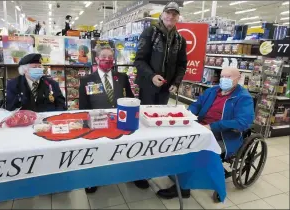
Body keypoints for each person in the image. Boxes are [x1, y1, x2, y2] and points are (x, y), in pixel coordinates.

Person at [156, 67, 255, 199]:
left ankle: (183, 188)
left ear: (238, 78)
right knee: (175, 139)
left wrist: (214, 126)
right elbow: (197, 104)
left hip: (224, 136)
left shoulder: (243, 98)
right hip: (201, 128)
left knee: (194, 150)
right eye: (222, 76)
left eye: (229, 77)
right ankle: (178, 171)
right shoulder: (212, 91)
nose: (224, 79)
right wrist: (189, 113)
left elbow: (243, 122)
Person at [78, 46, 150, 193]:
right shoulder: (87, 80)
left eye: (110, 57)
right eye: (103, 56)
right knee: (98, 151)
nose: (107, 59)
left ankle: (135, 174)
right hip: (99, 122)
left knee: (130, 148)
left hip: (122, 120)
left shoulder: (122, 77)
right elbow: (83, 107)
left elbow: (130, 98)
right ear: (97, 59)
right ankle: (93, 178)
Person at [134, 1, 187, 105]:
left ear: (178, 18)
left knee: (161, 117)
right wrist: (152, 76)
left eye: (174, 14)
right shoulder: (150, 32)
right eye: (168, 13)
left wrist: (176, 83)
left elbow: (182, 65)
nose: (171, 17)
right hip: (147, 87)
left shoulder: (180, 40)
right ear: (162, 15)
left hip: (165, 89)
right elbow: (139, 60)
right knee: (145, 117)